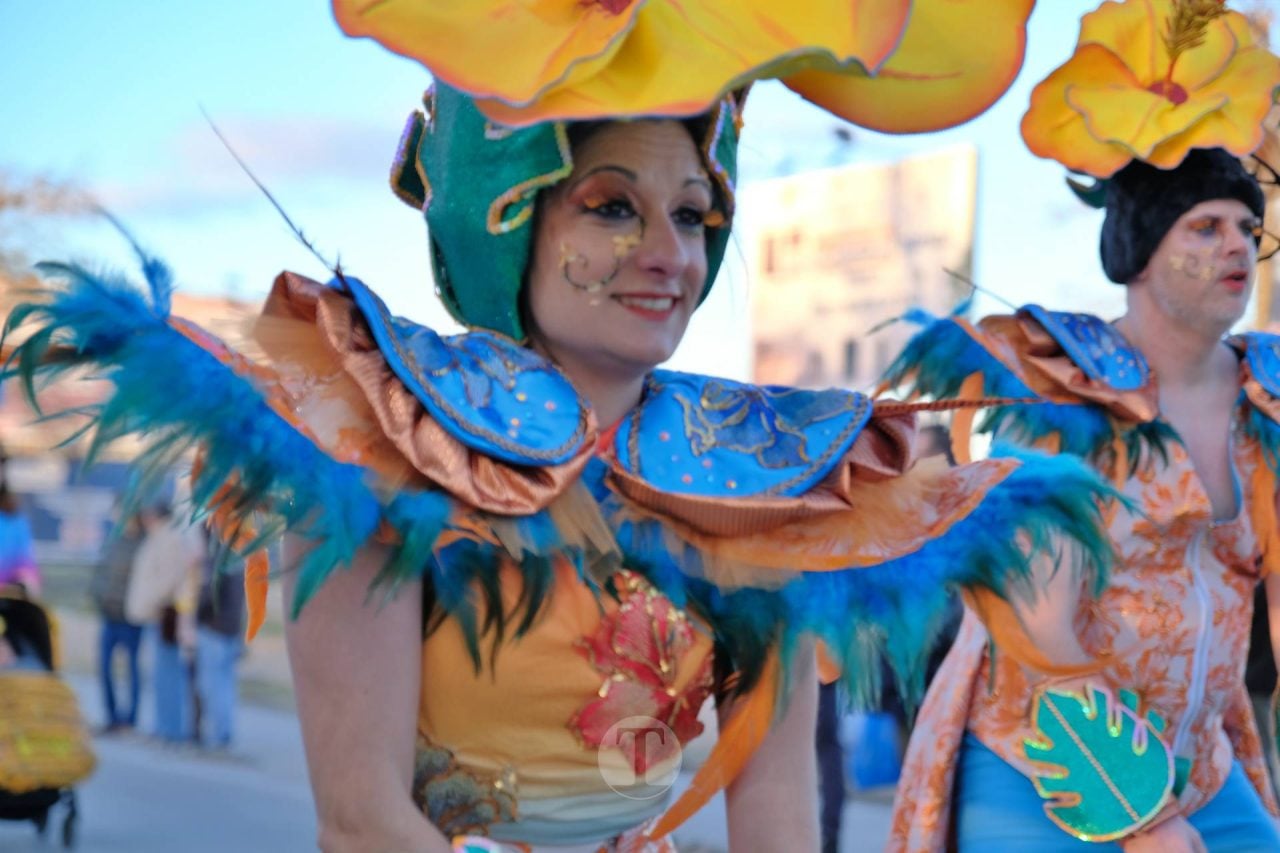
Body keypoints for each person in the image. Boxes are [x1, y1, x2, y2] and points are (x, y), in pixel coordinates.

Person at [6, 4, 1116, 851]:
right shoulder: (385, 450)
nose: (668, 254)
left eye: (693, 213)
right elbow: (362, 819)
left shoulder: (761, 479)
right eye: (611, 205)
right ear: (510, 219)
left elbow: (778, 809)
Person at [885, 2, 1280, 849]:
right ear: (1139, 251)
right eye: (1206, 226)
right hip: (1043, 768)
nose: (1238, 247)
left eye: (1248, 228)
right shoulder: (1064, 391)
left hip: (1203, 771)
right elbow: (1036, 625)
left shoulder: (1269, 404)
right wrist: (1140, 814)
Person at [125, 498, 201, 746]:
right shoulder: (158, 537)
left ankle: (171, 729)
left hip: (162, 614)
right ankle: (163, 726)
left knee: (167, 673)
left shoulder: (169, 538)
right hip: (154, 614)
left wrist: (149, 602)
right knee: (159, 675)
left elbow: (169, 579)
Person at [90, 504, 145, 733]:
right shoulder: (113, 540)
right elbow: (100, 572)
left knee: (132, 669)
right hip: (108, 614)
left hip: (130, 617)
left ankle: (130, 719)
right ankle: (112, 716)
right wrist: (97, 595)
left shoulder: (143, 543)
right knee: (104, 667)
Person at [194, 525, 244, 751]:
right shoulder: (236, 559)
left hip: (214, 629)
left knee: (211, 685)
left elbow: (209, 597)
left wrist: (195, 616)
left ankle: (218, 735)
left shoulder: (216, 560)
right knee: (225, 685)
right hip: (231, 629)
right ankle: (224, 732)